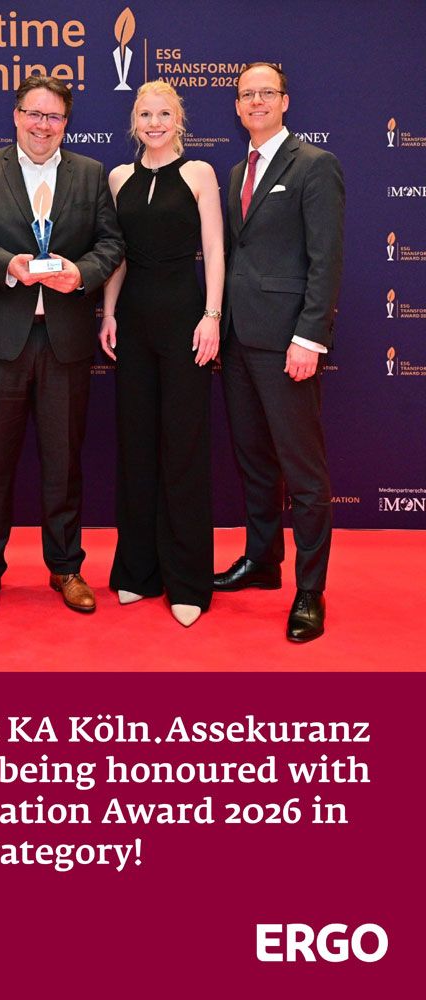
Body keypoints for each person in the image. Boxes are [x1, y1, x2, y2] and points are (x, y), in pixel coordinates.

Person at [0, 75, 123, 618]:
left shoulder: (90, 175)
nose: (44, 126)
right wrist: (8, 265)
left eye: (55, 117)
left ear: (67, 124)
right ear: (16, 115)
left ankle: (66, 568)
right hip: (0, 341)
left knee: (64, 463)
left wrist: (82, 273)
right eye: (34, 114)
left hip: (64, 340)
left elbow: (112, 243)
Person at [214, 62, 344, 642]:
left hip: (289, 343)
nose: (257, 102)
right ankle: (263, 562)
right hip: (240, 342)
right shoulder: (238, 167)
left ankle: (310, 590)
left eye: (267, 93)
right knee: (255, 463)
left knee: (305, 475)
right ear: (238, 106)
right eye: (248, 95)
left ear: (285, 101)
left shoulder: (315, 166)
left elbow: (326, 261)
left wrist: (309, 338)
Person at [99, 81, 223, 628]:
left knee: (184, 446)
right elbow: (117, 256)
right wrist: (107, 313)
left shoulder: (199, 174)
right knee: (137, 444)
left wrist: (212, 317)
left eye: (164, 113)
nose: (154, 122)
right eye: (145, 113)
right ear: (133, 120)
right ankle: (138, 572)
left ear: (180, 119)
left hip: (185, 320)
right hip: (134, 320)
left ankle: (188, 579)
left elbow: (216, 250)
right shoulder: (118, 178)